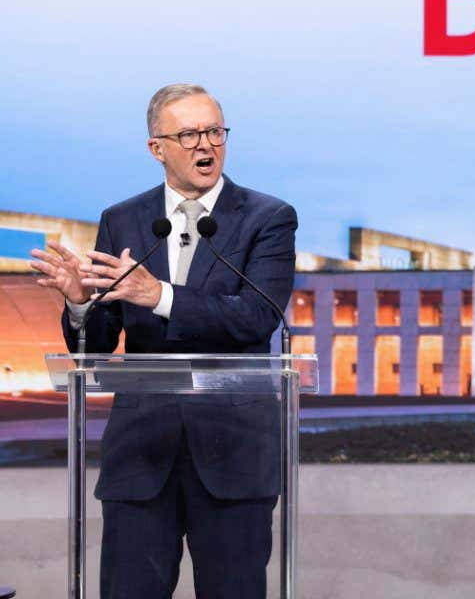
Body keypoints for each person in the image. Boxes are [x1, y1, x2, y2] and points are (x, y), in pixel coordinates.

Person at [31, 83, 297, 599]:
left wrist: (160, 295)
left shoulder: (269, 218)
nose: (207, 145)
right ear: (157, 147)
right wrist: (80, 303)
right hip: (141, 452)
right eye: (190, 133)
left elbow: (255, 317)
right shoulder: (123, 219)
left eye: (216, 131)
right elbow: (98, 349)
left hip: (232, 452)